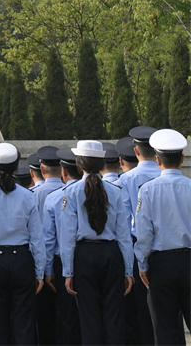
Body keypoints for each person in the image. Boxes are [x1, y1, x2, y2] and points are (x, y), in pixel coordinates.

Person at [59, 138, 133, 345]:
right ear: (101, 164)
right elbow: (124, 235)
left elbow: (67, 237)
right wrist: (128, 270)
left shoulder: (71, 192)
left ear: (79, 164)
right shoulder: (116, 191)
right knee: (114, 318)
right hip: (110, 254)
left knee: (89, 320)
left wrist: (68, 272)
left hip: (85, 256)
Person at [0, 142, 45, 346]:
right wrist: (40, 272)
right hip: (21, 259)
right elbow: (37, 239)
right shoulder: (28, 197)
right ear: (16, 167)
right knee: (24, 324)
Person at [134, 128, 191, 345]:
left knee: (166, 330)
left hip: (162, 263)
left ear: (157, 159)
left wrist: (142, 264)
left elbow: (144, 233)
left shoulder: (147, 190)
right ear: (182, 159)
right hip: (188, 260)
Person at [119, 126, 159, 346]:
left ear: (136, 151)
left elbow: (124, 221)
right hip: (165, 248)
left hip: (135, 247)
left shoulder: (125, 179)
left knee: (139, 308)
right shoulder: (165, 174)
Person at [43, 148, 82, 346]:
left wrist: (48, 269)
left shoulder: (55, 197)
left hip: (61, 262)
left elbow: (49, 239)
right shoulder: (96, 191)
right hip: (89, 257)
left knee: (67, 317)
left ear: (63, 173)